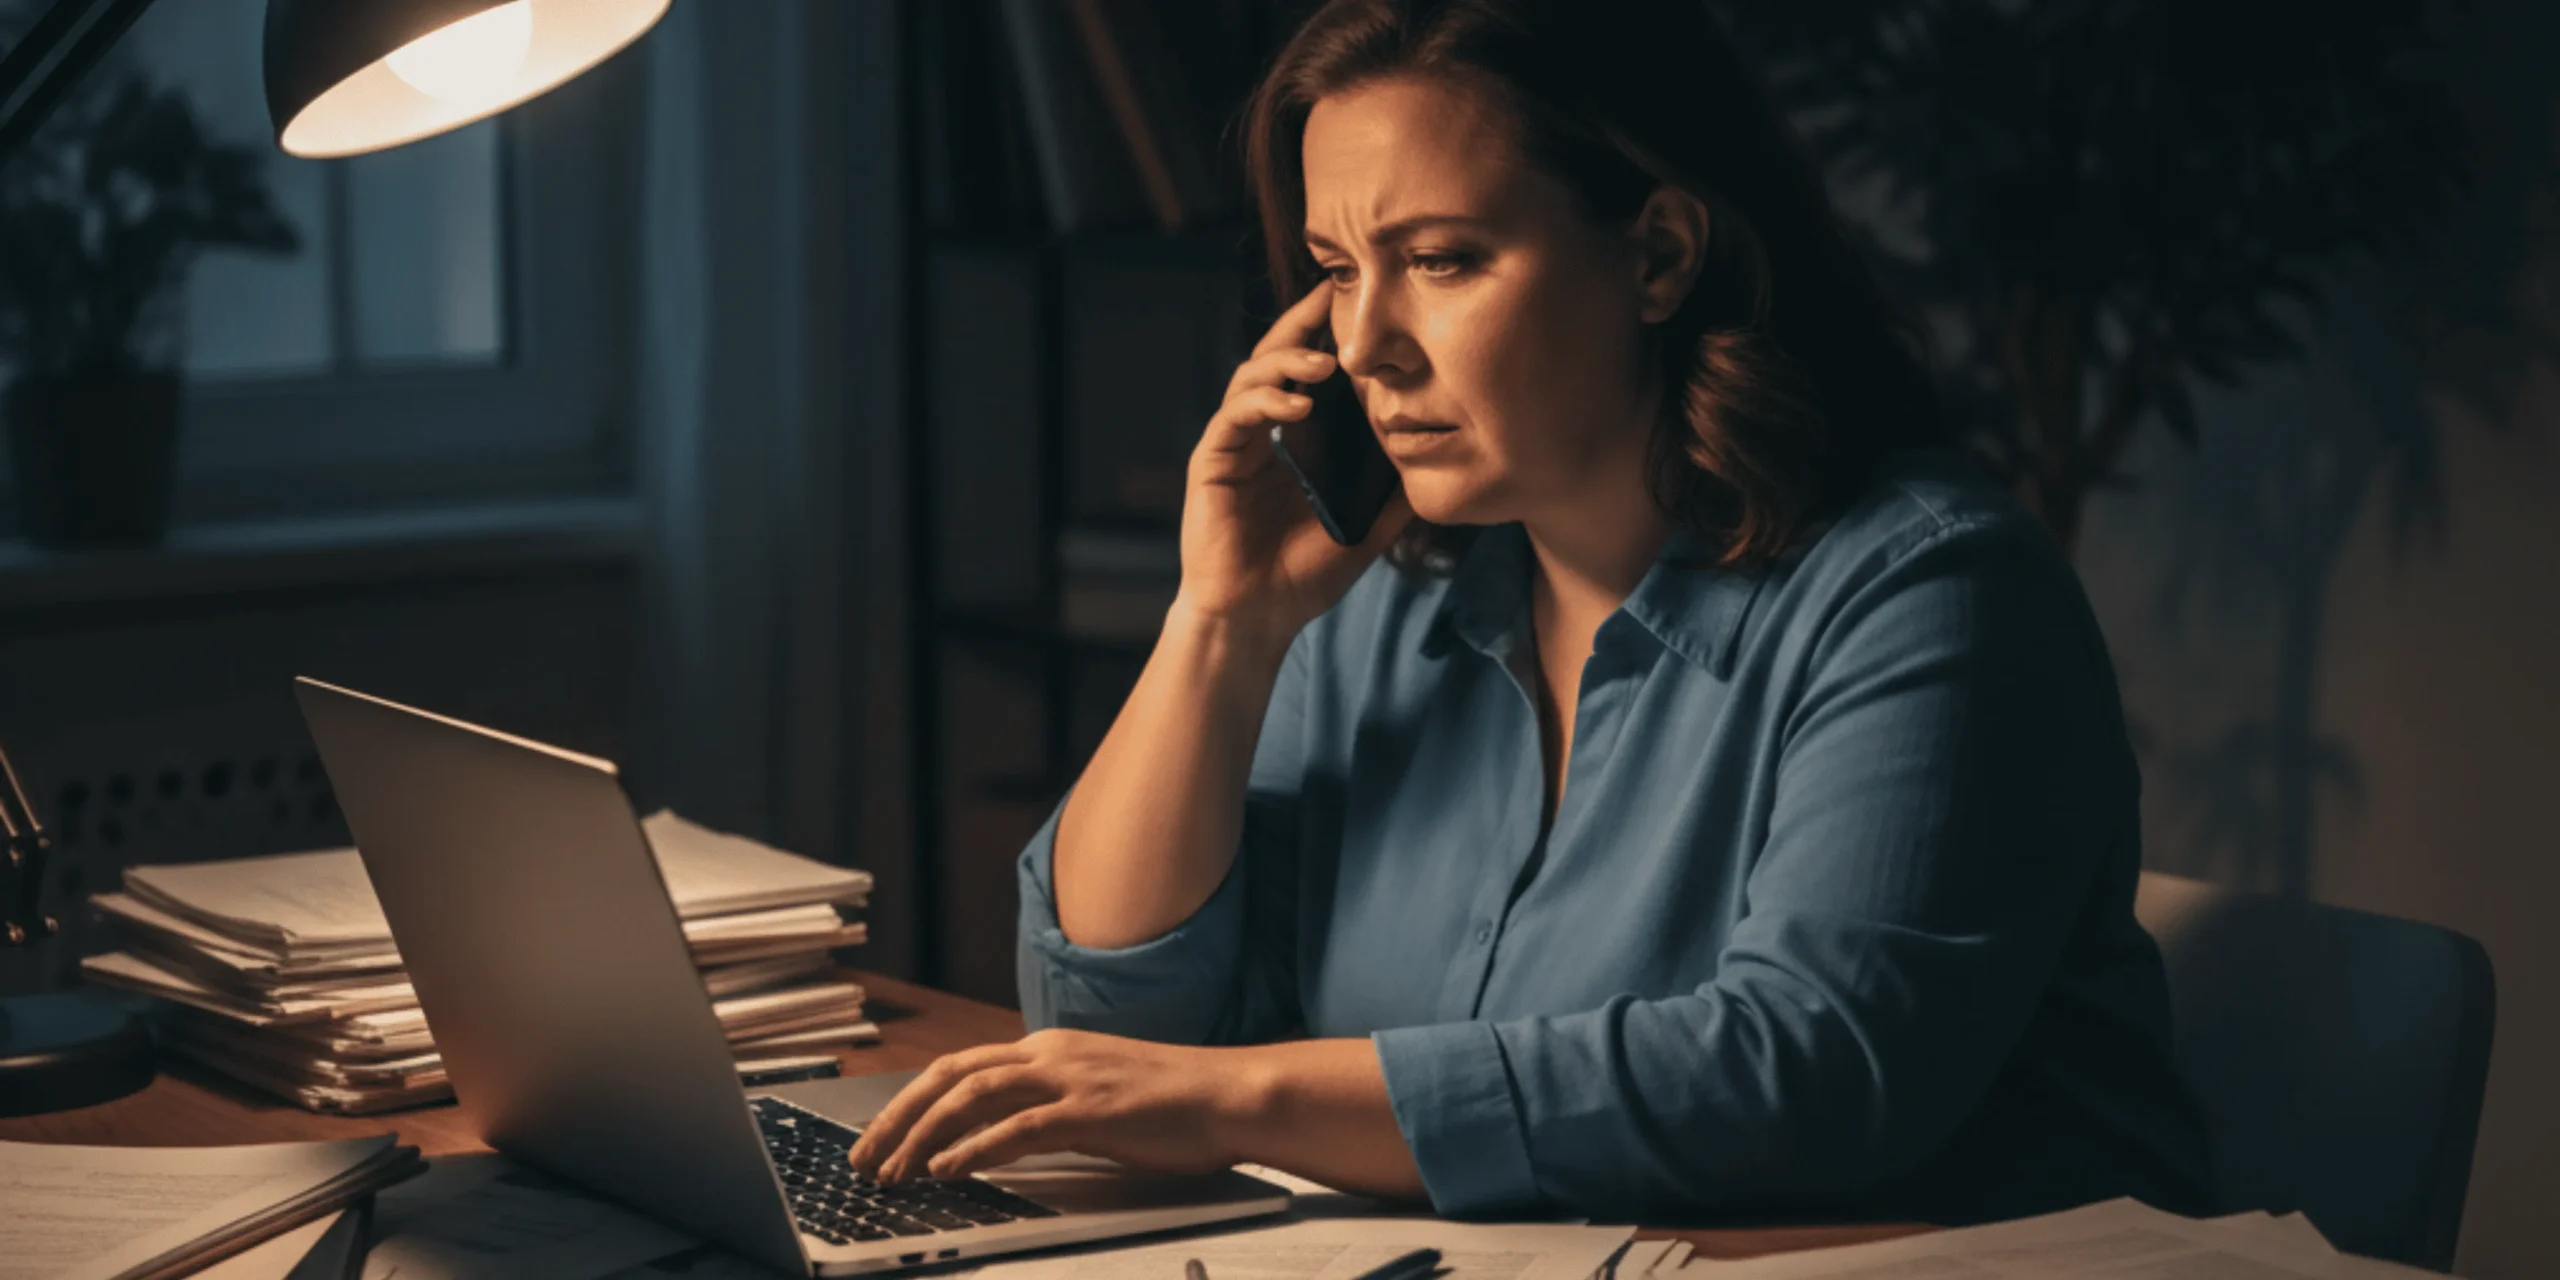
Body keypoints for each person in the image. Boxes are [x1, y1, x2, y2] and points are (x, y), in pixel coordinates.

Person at [848, 0, 2215, 1225]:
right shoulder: (1381, 596)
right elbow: (1103, 1028)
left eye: (1439, 258)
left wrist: (1236, 1099)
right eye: (1334, 267)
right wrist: (1221, 624)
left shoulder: (1931, 593)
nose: (1367, 343)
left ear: (1661, 254)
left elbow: (1802, 1073)